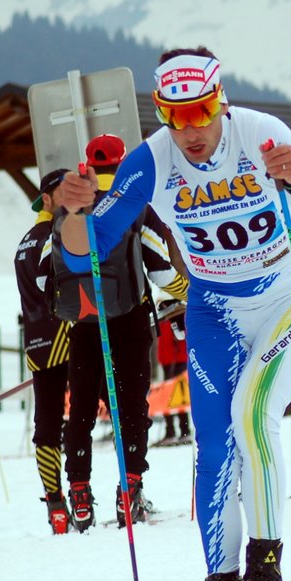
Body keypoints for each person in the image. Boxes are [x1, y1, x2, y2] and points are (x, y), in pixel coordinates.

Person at [53, 48, 291, 581]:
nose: (189, 129)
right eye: (174, 114)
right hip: (215, 307)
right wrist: (73, 212)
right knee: (212, 446)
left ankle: (265, 567)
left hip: (290, 296)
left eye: (201, 111)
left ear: (221, 100)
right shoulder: (152, 159)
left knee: (254, 415)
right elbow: (83, 254)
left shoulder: (261, 133)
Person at [44, 133, 189, 534]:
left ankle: (78, 490)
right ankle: (130, 490)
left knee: (82, 411)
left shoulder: (72, 208)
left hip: (84, 322)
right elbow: (160, 269)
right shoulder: (135, 202)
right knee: (131, 408)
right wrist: (190, 294)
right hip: (129, 320)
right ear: (124, 162)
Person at [15, 167, 73, 533]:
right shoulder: (57, 232)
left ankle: (56, 504)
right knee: (113, 405)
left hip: (37, 342)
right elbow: (52, 281)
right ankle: (123, 491)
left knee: (47, 426)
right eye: (66, 191)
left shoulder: (26, 238)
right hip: (66, 336)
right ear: (48, 199)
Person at [154, 298, 192, 446]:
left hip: (178, 359)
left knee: (178, 397)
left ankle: (184, 430)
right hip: (166, 359)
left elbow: (180, 335)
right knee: (167, 397)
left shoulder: (175, 308)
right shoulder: (160, 310)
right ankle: (170, 431)